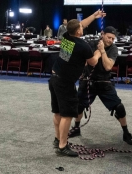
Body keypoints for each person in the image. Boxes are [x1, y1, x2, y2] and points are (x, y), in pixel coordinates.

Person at [50, 10, 106, 157]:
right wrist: (100, 51)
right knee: (67, 114)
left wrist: (94, 16)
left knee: (57, 111)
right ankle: (62, 146)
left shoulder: (66, 36)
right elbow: (92, 62)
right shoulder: (83, 45)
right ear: (79, 32)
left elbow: (81, 24)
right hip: (65, 82)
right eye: (81, 27)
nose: (83, 27)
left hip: (54, 77)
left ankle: (57, 139)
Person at [68, 27, 132, 146]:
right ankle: (76, 128)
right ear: (102, 34)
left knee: (119, 107)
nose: (110, 40)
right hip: (88, 80)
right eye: (108, 37)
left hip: (104, 82)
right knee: (78, 105)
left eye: (112, 39)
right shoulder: (91, 44)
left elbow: (108, 67)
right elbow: (82, 59)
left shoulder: (114, 49)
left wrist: (103, 51)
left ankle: (126, 133)